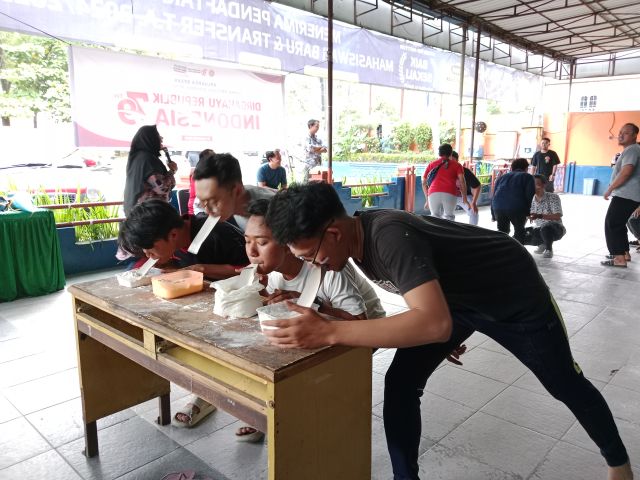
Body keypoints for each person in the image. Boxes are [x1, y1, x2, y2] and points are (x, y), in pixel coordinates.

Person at [261, 181, 633, 480]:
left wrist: (331, 332)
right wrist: (428, 324)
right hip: (457, 302)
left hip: (513, 295)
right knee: (402, 382)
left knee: (564, 382)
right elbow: (426, 307)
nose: (313, 264)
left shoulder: (386, 236)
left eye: (311, 254)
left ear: (334, 233)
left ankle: (619, 464)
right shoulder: (355, 241)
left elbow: (434, 323)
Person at [234, 198, 387, 442]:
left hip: (365, 334)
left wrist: (310, 302)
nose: (251, 252)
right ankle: (271, 414)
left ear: (289, 244)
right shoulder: (275, 274)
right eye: (247, 241)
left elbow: (361, 321)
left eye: (262, 243)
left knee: (313, 383)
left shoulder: (329, 267)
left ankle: (324, 427)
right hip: (326, 328)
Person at [118, 198, 248, 279]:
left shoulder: (216, 234)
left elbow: (252, 271)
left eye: (150, 248)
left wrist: (201, 269)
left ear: (173, 235)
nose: (147, 255)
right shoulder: (170, 236)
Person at [193, 152, 275, 232]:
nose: (207, 211)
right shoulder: (231, 206)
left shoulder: (274, 211)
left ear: (237, 191)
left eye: (214, 201)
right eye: (202, 202)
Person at [601, 123, 640, 268]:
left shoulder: (632, 150)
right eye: (620, 132)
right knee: (619, 223)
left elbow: (626, 172)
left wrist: (610, 188)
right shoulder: (632, 150)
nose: (621, 135)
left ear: (634, 135)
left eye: (626, 133)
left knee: (612, 224)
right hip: (630, 195)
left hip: (626, 194)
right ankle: (624, 254)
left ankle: (619, 259)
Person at [123, 125, 177, 216]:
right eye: (158, 135)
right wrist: (172, 171)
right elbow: (162, 187)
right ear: (150, 139)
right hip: (148, 215)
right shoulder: (148, 160)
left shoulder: (138, 157)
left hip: (140, 213)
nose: (161, 138)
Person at [491, 158, 535, 244]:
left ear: (512, 168)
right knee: (519, 231)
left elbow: (494, 196)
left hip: (498, 207)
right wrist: (530, 212)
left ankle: (500, 251)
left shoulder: (502, 177)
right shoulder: (527, 177)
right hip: (517, 207)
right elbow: (530, 195)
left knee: (502, 231)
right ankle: (517, 254)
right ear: (526, 168)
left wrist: (493, 214)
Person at [422, 144, 469, 221]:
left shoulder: (431, 164)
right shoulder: (457, 165)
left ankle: (435, 233)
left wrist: (427, 200)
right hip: (450, 193)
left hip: (433, 194)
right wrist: (464, 198)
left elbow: (424, 182)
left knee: (434, 218)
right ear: (451, 153)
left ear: (439, 153)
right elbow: (462, 182)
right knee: (449, 218)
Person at [529, 174, 566, 258]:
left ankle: (548, 249)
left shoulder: (553, 197)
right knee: (522, 234)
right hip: (538, 228)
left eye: (536, 184)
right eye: (532, 184)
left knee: (546, 227)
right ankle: (542, 243)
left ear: (544, 185)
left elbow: (557, 216)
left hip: (556, 229)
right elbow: (529, 214)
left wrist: (540, 216)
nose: (534, 186)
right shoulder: (531, 198)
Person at [452, 151, 481, 225]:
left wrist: (474, 202)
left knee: (473, 212)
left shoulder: (465, 171)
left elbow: (477, 186)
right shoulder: (444, 171)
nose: (451, 164)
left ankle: (473, 231)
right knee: (445, 215)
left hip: (466, 196)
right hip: (450, 196)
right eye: (449, 161)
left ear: (457, 161)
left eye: (453, 161)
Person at [188, 149, 214, 215]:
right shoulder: (198, 174)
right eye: (211, 157)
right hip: (199, 209)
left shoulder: (216, 174)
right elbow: (196, 197)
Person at [302, 119, 327, 183]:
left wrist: (316, 149)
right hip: (309, 165)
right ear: (310, 126)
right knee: (307, 184)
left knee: (317, 184)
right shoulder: (305, 137)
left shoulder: (318, 138)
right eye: (316, 126)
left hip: (318, 165)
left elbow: (325, 149)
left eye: (318, 126)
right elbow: (311, 148)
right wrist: (319, 148)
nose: (318, 128)